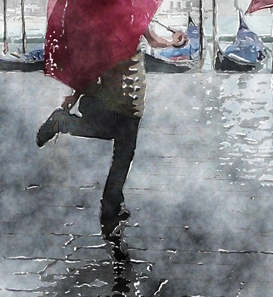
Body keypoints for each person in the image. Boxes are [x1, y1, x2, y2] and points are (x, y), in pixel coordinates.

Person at [36, 25, 188, 238]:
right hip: (125, 101)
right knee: (124, 152)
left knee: (122, 150)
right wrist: (174, 41)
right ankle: (110, 206)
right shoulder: (129, 18)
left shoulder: (115, 20)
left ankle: (113, 203)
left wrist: (75, 96)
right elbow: (153, 42)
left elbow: (93, 67)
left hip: (120, 99)